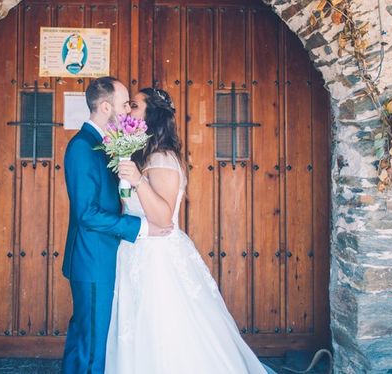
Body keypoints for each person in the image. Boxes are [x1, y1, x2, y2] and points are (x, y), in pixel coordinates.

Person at [106, 87, 271, 373]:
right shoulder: (142, 157)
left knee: (163, 330)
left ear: (152, 116)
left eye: (135, 106)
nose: (129, 111)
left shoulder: (163, 160)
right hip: (135, 254)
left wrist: (137, 181)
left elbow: (163, 217)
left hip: (158, 261)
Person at [61, 77, 171, 374]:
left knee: (86, 339)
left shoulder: (101, 143)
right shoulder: (83, 146)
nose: (127, 112)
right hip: (93, 258)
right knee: (93, 346)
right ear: (106, 106)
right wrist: (140, 228)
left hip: (100, 257)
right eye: (124, 104)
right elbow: (87, 214)